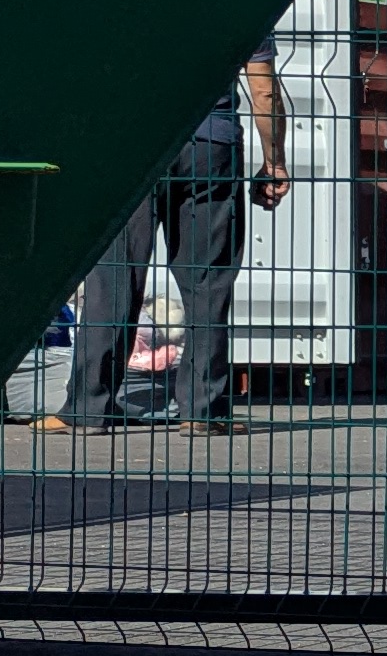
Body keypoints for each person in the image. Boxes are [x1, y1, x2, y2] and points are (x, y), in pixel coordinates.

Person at [52, 36, 287, 432]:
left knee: (113, 275)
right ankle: (202, 410)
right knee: (207, 281)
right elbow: (263, 88)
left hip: (132, 140)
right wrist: (274, 161)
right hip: (210, 146)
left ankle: (88, 408)